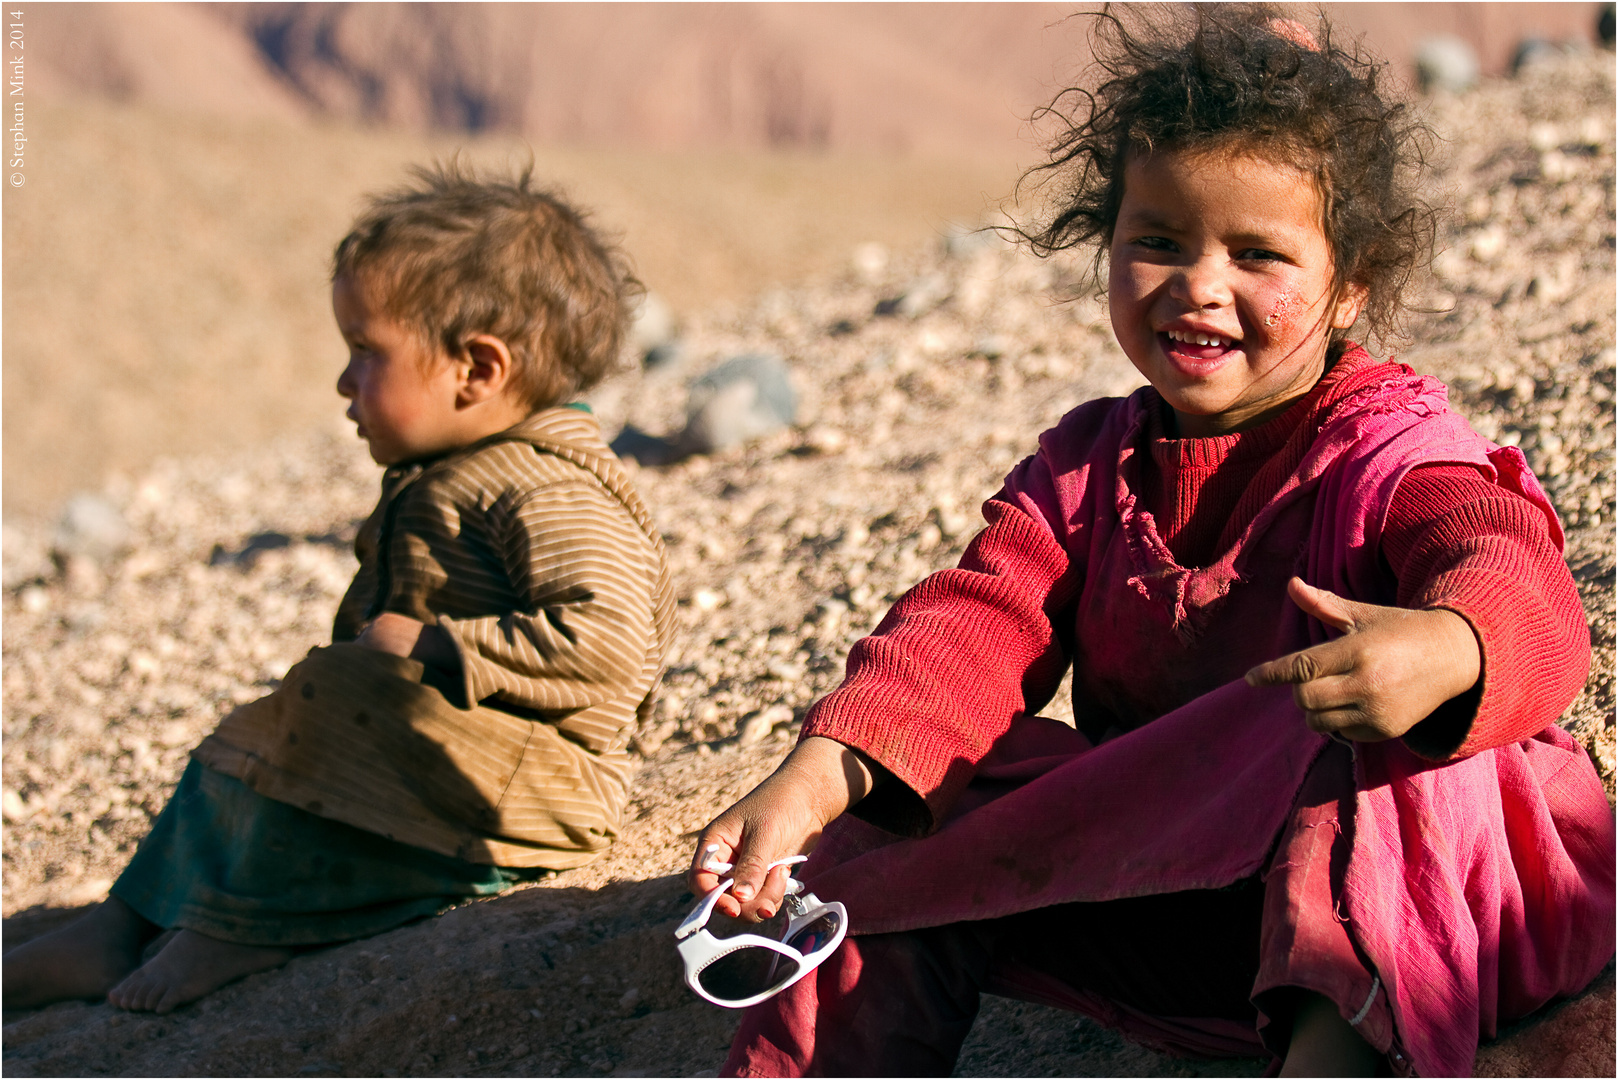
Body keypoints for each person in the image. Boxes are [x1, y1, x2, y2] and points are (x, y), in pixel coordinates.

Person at [686, 8, 1614, 1077]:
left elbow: (1510, 569)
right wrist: (821, 774)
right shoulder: (1088, 468)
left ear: (1349, 283)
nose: (1198, 284)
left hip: (1460, 918)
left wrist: (1450, 650)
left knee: (1372, 765)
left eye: (1256, 252)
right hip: (1200, 926)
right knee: (889, 823)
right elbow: (973, 625)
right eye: (1159, 242)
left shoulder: (1395, 452)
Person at [6, 162, 676, 1015]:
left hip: (534, 788)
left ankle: (250, 924)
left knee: (341, 696)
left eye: (367, 351)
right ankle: (123, 923)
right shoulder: (458, 468)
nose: (344, 382)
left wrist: (438, 646)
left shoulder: (548, 488)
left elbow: (612, 645)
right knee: (267, 727)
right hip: (445, 757)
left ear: (476, 369)